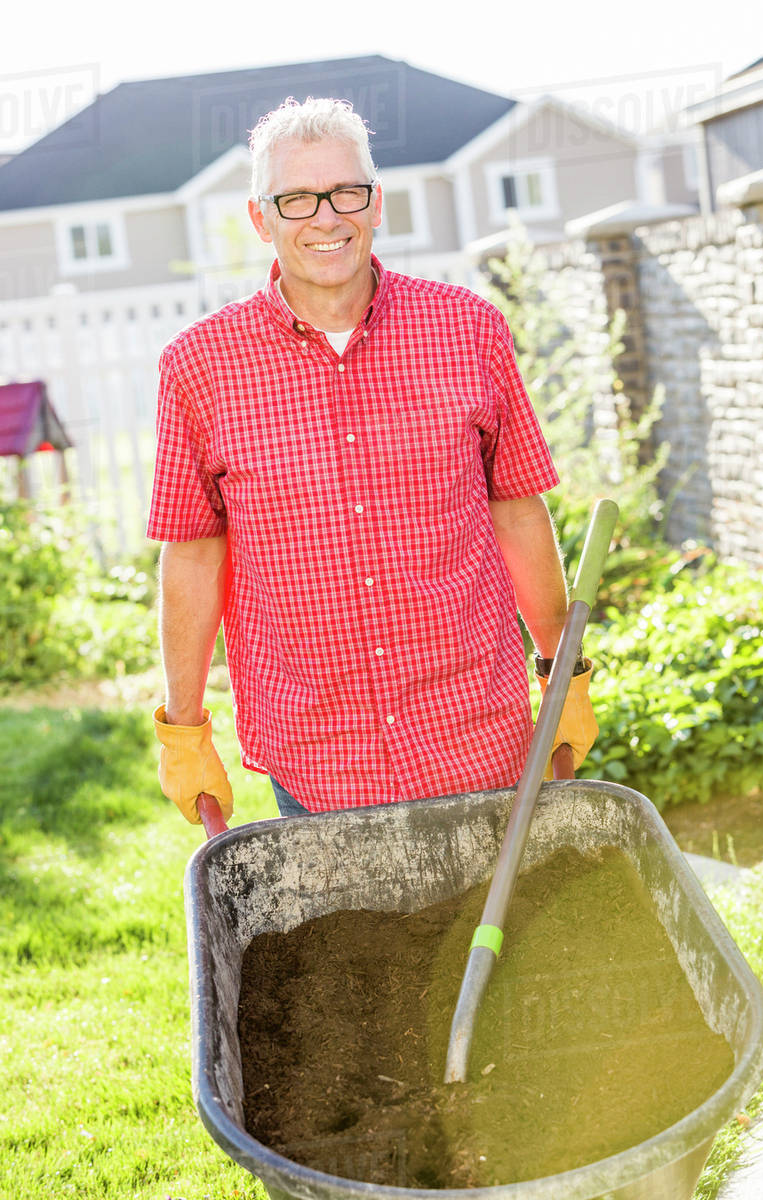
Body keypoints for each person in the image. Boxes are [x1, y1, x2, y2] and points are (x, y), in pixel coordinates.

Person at [148, 96, 598, 824]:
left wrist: (561, 671)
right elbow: (195, 553)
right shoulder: (199, 366)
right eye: (296, 199)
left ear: (376, 202)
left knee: (498, 937)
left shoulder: (467, 329)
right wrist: (184, 727)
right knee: (360, 942)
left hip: (477, 731)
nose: (326, 218)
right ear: (262, 218)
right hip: (317, 750)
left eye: (345, 192)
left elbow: (516, 508)